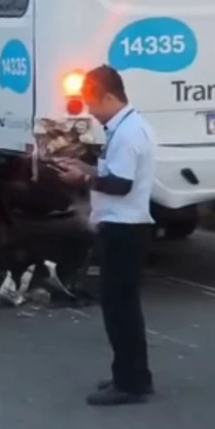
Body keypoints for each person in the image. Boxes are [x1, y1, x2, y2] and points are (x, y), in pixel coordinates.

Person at [53, 65, 156, 406]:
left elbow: (121, 185)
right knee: (121, 307)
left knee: (120, 310)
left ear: (110, 97)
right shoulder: (125, 127)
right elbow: (113, 173)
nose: (89, 111)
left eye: (92, 103)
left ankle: (131, 383)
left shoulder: (128, 134)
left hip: (125, 228)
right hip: (122, 225)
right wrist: (87, 169)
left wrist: (82, 180)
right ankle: (129, 375)